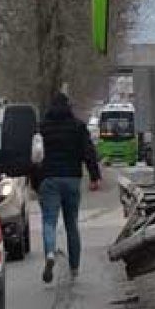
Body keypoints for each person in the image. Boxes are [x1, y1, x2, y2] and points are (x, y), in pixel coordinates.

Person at [36, 92, 101, 283]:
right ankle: (74, 268)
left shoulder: (42, 128)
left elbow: (35, 155)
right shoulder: (78, 127)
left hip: (49, 179)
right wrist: (95, 177)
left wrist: (35, 181)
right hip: (72, 178)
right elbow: (88, 151)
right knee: (71, 224)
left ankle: (49, 253)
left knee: (49, 222)